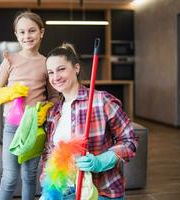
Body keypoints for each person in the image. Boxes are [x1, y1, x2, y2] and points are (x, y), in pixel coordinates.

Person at [41, 43, 139, 200]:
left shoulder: (101, 100)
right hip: (68, 192)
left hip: (102, 191)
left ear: (76, 68)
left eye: (61, 69)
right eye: (50, 72)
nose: (55, 77)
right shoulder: (53, 113)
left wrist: (101, 161)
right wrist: (49, 185)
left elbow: (130, 140)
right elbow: (48, 154)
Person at [0, 11, 58, 200]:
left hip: (35, 128)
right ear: (16, 34)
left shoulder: (47, 63)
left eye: (32, 31)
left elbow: (54, 98)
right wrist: (10, 92)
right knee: (10, 178)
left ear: (41, 32)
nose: (27, 36)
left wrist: (45, 110)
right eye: (22, 32)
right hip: (12, 127)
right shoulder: (9, 60)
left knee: (29, 177)